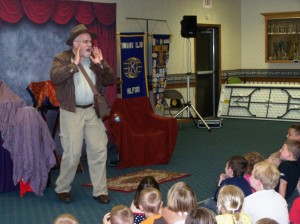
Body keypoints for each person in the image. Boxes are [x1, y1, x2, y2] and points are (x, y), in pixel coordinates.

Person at [50, 24, 115, 203]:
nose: (89, 44)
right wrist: (74, 65)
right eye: (85, 41)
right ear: (75, 44)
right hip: (71, 112)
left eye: (90, 41)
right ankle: (62, 188)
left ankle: (100, 190)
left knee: (99, 150)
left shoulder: (95, 58)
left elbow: (110, 80)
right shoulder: (62, 58)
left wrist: (101, 65)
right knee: (72, 154)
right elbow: (55, 77)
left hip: (92, 111)